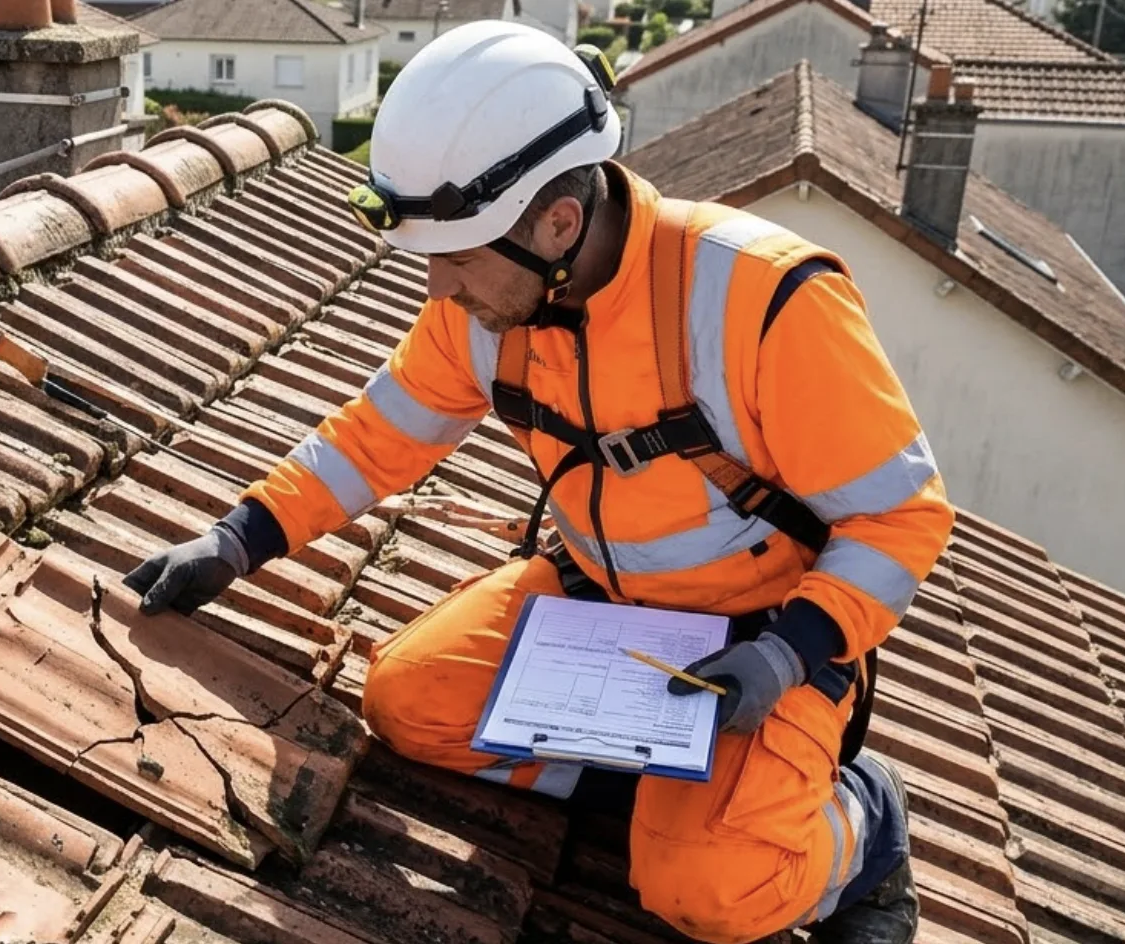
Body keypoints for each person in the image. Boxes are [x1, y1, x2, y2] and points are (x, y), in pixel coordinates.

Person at [121, 21, 954, 944]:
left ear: (558, 222)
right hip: (605, 600)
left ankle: (867, 824)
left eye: (458, 256)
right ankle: (666, 786)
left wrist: (790, 654)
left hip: (763, 639)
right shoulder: (489, 301)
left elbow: (900, 519)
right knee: (407, 703)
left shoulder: (762, 297)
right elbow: (379, 435)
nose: (438, 288)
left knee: (709, 892)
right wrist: (239, 537)